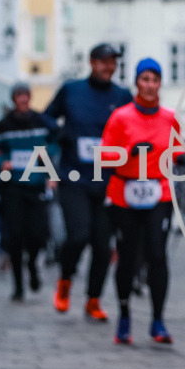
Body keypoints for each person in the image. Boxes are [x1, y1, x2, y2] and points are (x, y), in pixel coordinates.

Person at [45, 43, 134, 321]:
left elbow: (133, 127)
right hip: (74, 177)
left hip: (108, 182)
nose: (109, 67)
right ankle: (65, 281)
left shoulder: (122, 96)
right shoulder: (71, 90)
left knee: (103, 246)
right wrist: (60, 133)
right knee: (78, 235)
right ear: (92, 62)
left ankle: (93, 300)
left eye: (114, 63)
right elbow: (46, 117)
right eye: (104, 62)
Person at [99, 58, 182, 345]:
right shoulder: (121, 117)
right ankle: (124, 315)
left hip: (159, 192)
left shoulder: (170, 118)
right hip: (125, 194)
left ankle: (158, 320)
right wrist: (130, 151)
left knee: (158, 255)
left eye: (155, 80)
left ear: (160, 84)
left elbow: (176, 151)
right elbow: (104, 156)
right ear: (136, 83)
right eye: (144, 79)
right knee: (128, 256)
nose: (149, 85)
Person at [0, 83, 59, 302]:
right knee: (15, 236)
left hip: (36, 185)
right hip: (13, 187)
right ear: (13, 99)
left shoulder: (42, 121)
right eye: (18, 96)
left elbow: (57, 141)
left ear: (30, 97)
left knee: (38, 234)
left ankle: (32, 265)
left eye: (26, 95)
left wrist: (48, 156)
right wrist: (2, 163)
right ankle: (18, 285)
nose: (22, 99)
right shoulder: (3, 125)